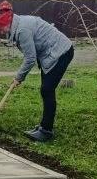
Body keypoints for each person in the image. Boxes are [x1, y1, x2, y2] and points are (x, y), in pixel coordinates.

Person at [7, 14, 74, 142]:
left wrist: (19, 77)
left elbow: (30, 58)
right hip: (51, 53)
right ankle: (43, 126)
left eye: (0, 27)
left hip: (61, 52)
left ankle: (46, 131)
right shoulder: (19, 23)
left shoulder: (22, 30)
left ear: (6, 23)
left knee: (47, 90)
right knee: (46, 90)